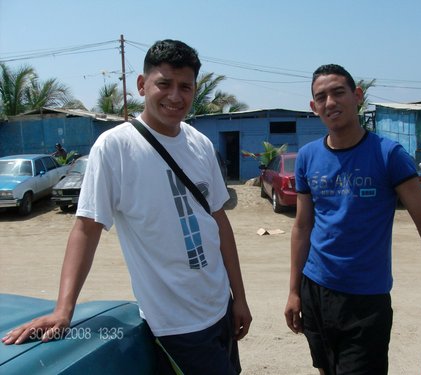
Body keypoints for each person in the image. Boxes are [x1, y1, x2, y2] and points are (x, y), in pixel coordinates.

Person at [2, 39, 252, 375]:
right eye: (164, 84)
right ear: (141, 85)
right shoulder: (115, 147)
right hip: (175, 324)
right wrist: (64, 309)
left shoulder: (200, 143)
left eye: (185, 87)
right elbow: (86, 229)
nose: (175, 96)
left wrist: (239, 297)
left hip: (219, 307)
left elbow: (219, 222)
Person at [284, 64, 421, 375]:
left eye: (338, 92)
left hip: (366, 299)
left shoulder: (389, 154)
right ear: (313, 107)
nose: (330, 102)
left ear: (357, 96)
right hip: (315, 288)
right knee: (326, 368)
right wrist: (294, 291)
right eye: (321, 97)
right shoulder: (307, 156)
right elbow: (303, 226)